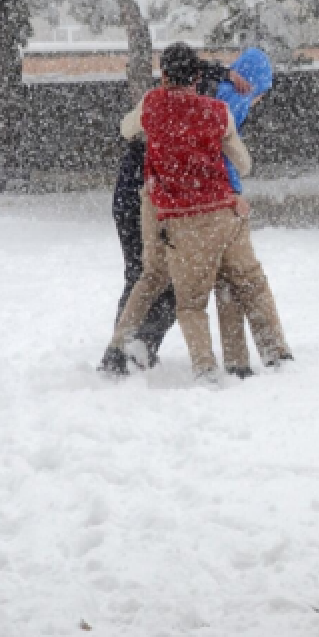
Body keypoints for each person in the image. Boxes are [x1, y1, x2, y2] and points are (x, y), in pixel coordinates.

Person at [99, 42, 252, 383]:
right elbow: (242, 162)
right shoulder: (213, 111)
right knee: (173, 285)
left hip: (138, 199)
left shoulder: (152, 103)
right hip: (170, 205)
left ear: (165, 75)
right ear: (197, 77)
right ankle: (152, 349)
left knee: (144, 276)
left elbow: (126, 129)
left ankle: (122, 349)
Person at [210, 47, 294, 377]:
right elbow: (221, 155)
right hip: (224, 205)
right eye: (263, 90)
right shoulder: (234, 104)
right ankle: (274, 353)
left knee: (226, 280)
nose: (261, 99)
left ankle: (236, 360)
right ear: (253, 84)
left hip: (207, 205)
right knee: (249, 279)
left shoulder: (217, 94)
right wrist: (232, 193)